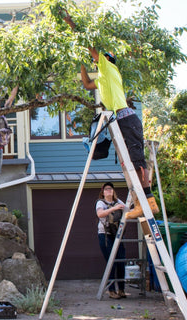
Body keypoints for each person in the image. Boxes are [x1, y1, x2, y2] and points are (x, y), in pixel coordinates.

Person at [63, 13, 159, 219]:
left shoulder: (109, 67)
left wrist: (72, 24)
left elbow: (89, 46)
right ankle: (145, 201)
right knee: (132, 162)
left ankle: (148, 202)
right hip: (123, 120)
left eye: (97, 59)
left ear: (107, 60)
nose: (95, 60)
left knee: (137, 161)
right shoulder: (104, 78)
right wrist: (81, 62)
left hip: (127, 119)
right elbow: (87, 84)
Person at [96, 182, 127, 299]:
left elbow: (128, 210)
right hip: (105, 235)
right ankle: (111, 290)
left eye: (111, 189)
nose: (109, 191)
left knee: (121, 261)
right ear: (103, 192)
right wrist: (114, 208)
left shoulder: (118, 201)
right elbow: (100, 214)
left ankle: (122, 289)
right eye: (106, 189)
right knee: (111, 262)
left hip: (117, 235)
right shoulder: (101, 203)